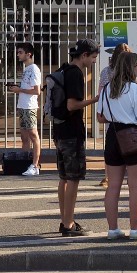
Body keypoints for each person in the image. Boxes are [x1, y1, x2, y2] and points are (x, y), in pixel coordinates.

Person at [97, 51, 137, 240]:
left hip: (113, 135)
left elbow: (100, 117)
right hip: (133, 136)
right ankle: (135, 229)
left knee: (113, 186)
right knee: (135, 185)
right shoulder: (135, 89)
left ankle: (113, 229)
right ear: (133, 67)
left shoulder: (107, 88)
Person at [54, 39, 99, 236]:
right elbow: (72, 105)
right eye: (93, 57)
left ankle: (65, 220)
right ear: (84, 55)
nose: (94, 61)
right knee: (73, 179)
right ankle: (68, 224)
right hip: (72, 132)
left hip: (59, 130)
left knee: (64, 178)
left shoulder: (63, 69)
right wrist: (94, 99)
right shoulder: (76, 74)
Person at [98, 43, 132, 187]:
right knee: (130, 146)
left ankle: (108, 176)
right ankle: (131, 176)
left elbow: (101, 92)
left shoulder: (106, 71)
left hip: (111, 113)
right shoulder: (131, 72)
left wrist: (102, 109)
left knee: (111, 146)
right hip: (128, 115)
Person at [8, 42, 42, 176]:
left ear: (29, 54)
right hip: (23, 106)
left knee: (33, 135)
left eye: (20, 52)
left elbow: (37, 91)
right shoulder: (27, 69)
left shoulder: (33, 69)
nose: (18, 55)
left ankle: (35, 165)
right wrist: (19, 89)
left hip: (29, 106)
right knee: (24, 136)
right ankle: (26, 162)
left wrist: (19, 90)